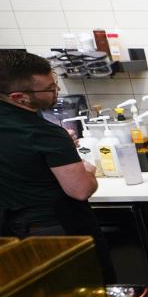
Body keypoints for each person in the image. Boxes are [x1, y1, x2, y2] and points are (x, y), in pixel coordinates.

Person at [0, 50, 114, 281]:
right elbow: (80, 190)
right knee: (85, 295)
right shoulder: (45, 133)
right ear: (18, 97)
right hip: (57, 231)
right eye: (50, 89)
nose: (57, 91)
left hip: (11, 232)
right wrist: (88, 170)